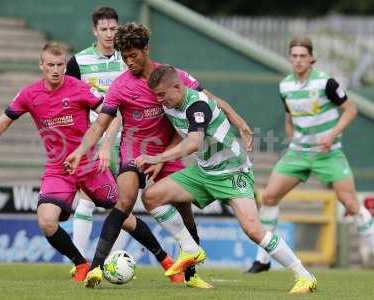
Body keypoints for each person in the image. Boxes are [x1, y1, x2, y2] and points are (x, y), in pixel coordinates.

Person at [63, 22, 252, 289]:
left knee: (185, 212)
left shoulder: (171, 77)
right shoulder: (120, 87)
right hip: (134, 150)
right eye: (124, 57)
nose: (129, 61)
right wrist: (81, 151)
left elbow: (208, 99)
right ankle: (95, 268)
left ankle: (192, 274)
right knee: (125, 201)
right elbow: (99, 125)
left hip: (167, 150)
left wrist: (237, 119)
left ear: (146, 49)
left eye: (133, 55)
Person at [0, 42, 179, 283]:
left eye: (60, 65)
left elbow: (111, 113)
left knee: (123, 216)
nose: (55, 69)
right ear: (41, 65)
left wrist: (105, 145)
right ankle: (81, 263)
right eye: (50, 65)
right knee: (47, 222)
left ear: (65, 65)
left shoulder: (79, 88)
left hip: (91, 166)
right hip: (58, 169)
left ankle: (166, 260)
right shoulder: (29, 94)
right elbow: (5, 118)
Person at [135, 64, 317, 294]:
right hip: (203, 172)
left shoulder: (197, 105)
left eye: (162, 94)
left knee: (253, 230)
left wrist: (156, 157)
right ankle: (190, 248)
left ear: (178, 87)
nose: (159, 100)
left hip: (232, 172)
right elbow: (220, 103)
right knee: (151, 197)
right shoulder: (171, 103)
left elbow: (193, 143)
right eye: (156, 96)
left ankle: (304, 275)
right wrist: (240, 122)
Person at [247, 37, 374, 273]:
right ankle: (262, 260)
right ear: (290, 58)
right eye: (294, 56)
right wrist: (291, 138)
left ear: (311, 58)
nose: (298, 60)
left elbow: (351, 110)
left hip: (328, 153)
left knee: (350, 203)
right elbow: (289, 117)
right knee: (270, 197)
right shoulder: (285, 86)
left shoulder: (326, 83)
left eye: (302, 56)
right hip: (298, 152)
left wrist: (332, 135)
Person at [65, 6, 124, 264]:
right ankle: (79, 262)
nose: (109, 34)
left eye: (113, 29)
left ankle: (113, 260)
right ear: (95, 31)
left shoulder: (127, 59)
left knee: (123, 201)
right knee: (87, 197)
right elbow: (68, 98)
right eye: (104, 29)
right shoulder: (79, 62)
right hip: (93, 137)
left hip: (127, 139)